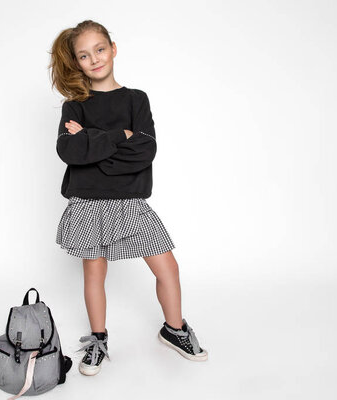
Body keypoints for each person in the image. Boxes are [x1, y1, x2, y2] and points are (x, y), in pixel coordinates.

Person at [48, 20, 208, 376]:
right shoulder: (74, 106)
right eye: (84, 55)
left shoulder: (137, 99)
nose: (94, 59)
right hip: (88, 204)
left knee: (168, 267)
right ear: (77, 62)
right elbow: (69, 151)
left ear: (113, 48)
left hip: (130, 203)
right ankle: (99, 339)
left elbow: (144, 152)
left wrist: (91, 143)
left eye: (100, 50)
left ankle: (174, 329)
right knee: (94, 273)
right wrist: (120, 134)